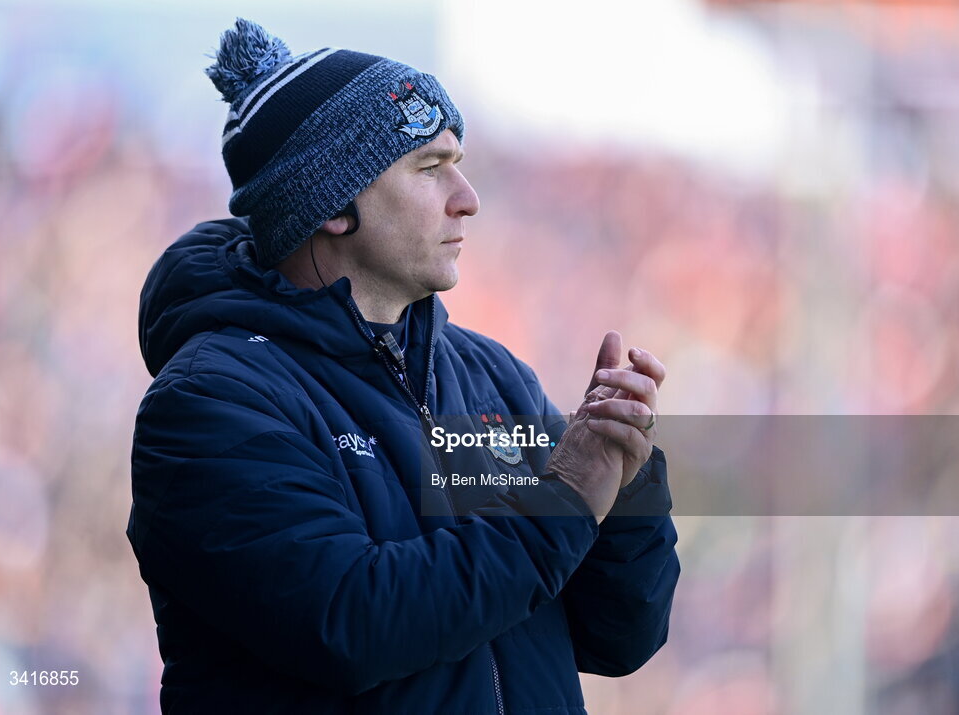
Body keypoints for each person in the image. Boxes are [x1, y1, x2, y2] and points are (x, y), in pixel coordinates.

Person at [127, 18, 679, 714]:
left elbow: (617, 635)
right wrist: (564, 499)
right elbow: (350, 623)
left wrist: (623, 481)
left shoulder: (492, 374)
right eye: (429, 167)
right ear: (331, 204)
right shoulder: (212, 400)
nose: (466, 196)